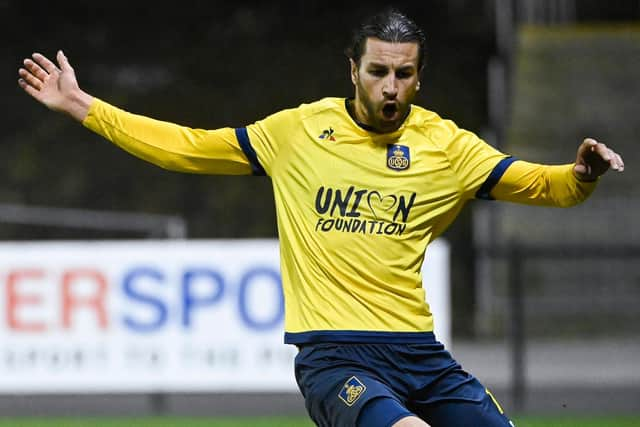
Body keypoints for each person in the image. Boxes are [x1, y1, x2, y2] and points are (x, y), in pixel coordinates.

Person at [18, 8, 623, 427]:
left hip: (420, 354)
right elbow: (189, 146)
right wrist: (84, 107)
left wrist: (582, 174)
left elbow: (542, 186)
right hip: (336, 358)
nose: (390, 86)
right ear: (353, 70)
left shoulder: (446, 146)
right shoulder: (299, 132)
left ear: (419, 76)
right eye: (378, 71)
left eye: (404, 74)